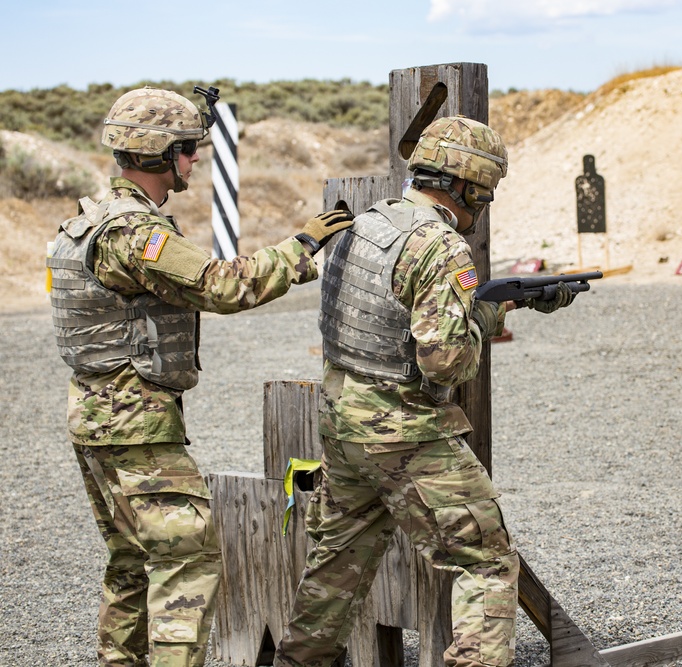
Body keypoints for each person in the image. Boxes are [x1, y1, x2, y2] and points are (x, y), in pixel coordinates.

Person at [46, 86, 354, 667]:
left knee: (132, 563)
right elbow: (222, 284)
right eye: (186, 149)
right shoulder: (135, 233)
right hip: (135, 425)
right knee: (187, 563)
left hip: (95, 418)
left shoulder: (86, 223)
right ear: (161, 155)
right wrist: (303, 246)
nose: (192, 161)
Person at [272, 115, 575, 667]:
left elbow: (393, 316)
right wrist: (482, 319)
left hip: (343, 419)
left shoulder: (363, 224)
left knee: (337, 564)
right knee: (484, 561)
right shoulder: (441, 246)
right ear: (469, 186)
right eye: (485, 190)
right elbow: (447, 362)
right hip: (404, 430)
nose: (484, 201)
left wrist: (498, 302)